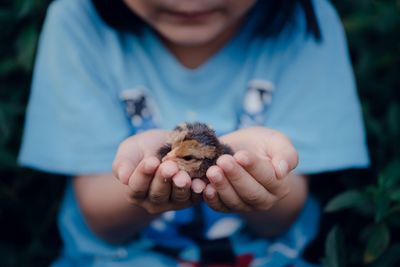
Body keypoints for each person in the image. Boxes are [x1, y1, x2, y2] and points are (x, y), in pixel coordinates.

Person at [18, 0, 369, 266]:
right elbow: (103, 221)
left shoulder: (305, 22)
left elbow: (279, 216)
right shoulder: (78, 19)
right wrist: (147, 179)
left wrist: (259, 177)